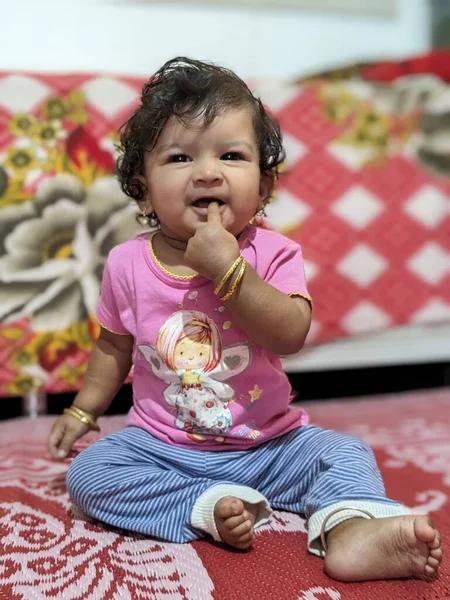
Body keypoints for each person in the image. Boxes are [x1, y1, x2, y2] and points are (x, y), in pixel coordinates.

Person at [47, 57, 442, 582]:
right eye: (181, 156)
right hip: (162, 448)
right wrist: (81, 412)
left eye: (231, 156)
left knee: (343, 453)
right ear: (142, 187)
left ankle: (350, 528)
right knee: (91, 474)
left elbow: (289, 332)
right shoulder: (127, 263)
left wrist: (228, 270)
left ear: (264, 185)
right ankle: (205, 505)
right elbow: (112, 346)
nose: (207, 172)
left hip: (271, 445)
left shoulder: (271, 254)